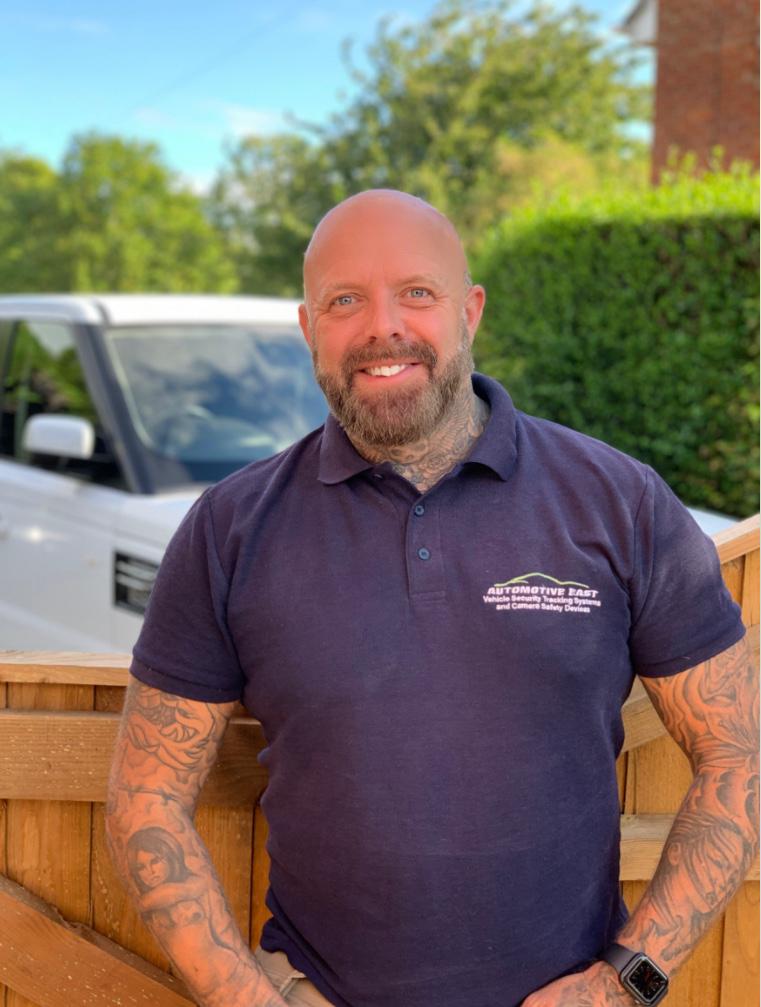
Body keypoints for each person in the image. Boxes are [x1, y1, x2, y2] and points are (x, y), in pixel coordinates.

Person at [105, 189, 758, 1007]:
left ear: (469, 310)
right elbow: (146, 801)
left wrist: (630, 983)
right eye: (345, 300)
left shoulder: (619, 504)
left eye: (416, 292)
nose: (383, 326)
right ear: (309, 328)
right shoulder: (230, 529)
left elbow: (737, 756)